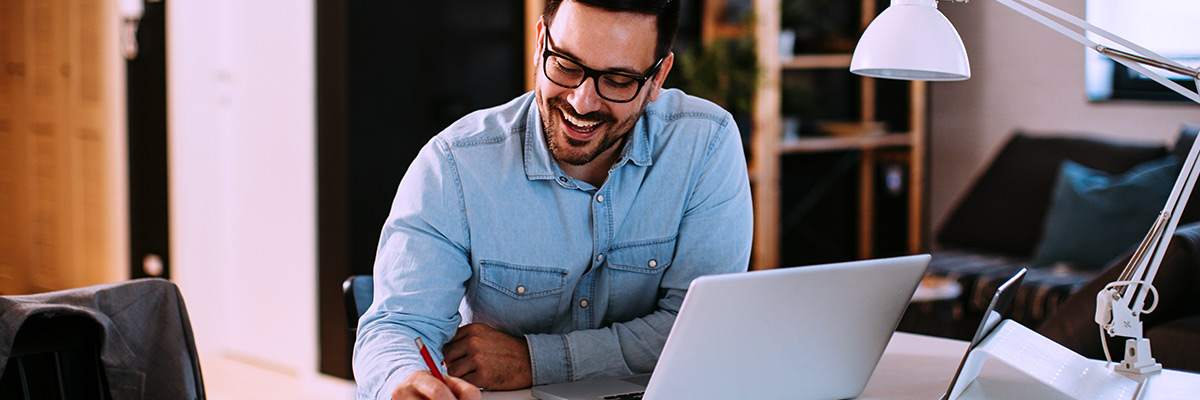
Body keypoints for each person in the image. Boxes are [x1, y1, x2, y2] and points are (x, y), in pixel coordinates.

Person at [353, 0, 753, 399]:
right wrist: (402, 380)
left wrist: (535, 360)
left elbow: (699, 330)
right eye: (566, 64)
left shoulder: (706, 143)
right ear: (541, 42)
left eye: (617, 80)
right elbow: (397, 326)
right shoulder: (455, 165)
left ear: (657, 78)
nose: (582, 102)